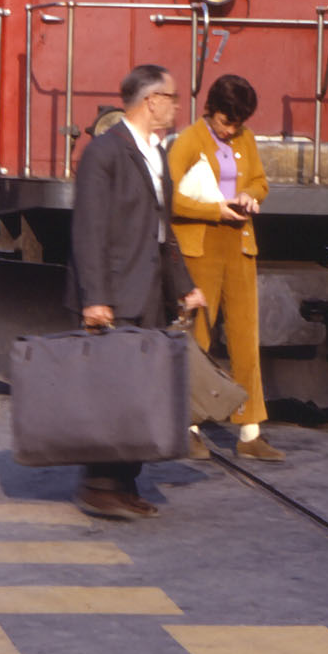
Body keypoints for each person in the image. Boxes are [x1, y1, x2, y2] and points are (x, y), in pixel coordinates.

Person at [66, 65, 207, 520]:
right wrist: (95, 297)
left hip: (145, 291)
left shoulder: (157, 154)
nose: (176, 105)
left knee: (138, 395)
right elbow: (88, 230)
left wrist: (184, 288)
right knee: (112, 393)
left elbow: (162, 232)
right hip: (113, 293)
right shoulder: (104, 153)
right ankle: (97, 485)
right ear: (150, 101)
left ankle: (124, 483)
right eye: (171, 96)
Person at [168, 74, 281, 462]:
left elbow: (261, 181)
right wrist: (213, 209)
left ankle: (250, 432)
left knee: (245, 336)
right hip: (201, 247)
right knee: (199, 334)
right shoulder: (188, 141)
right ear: (211, 110)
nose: (231, 130)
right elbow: (169, 197)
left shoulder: (244, 138)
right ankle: (188, 426)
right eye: (225, 122)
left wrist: (250, 195)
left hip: (240, 243)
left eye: (238, 123)